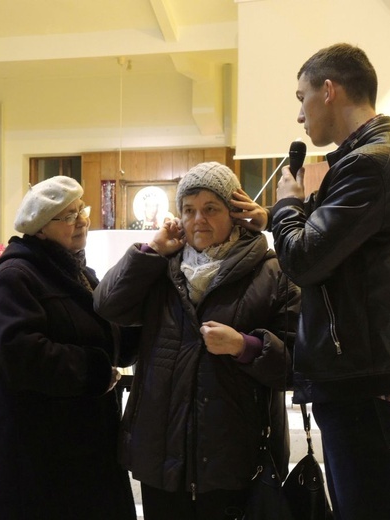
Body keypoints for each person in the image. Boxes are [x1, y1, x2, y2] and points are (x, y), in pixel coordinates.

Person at [231, 43, 390, 520]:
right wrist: (271, 217)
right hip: (369, 370)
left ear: (329, 90)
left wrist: (286, 205)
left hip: (361, 381)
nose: (300, 115)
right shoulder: (388, 155)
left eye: (301, 98)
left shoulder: (371, 164)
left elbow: (302, 261)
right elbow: (346, 250)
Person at [93, 162, 300, 520]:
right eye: (189, 210)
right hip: (163, 458)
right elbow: (108, 304)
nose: (198, 220)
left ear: (235, 214)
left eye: (210, 209)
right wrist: (151, 251)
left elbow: (297, 364)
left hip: (235, 461)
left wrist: (245, 347)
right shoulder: (161, 267)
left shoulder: (272, 272)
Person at [0, 175, 138, 520]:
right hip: (35, 450)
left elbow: (107, 335)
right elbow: (21, 354)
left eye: (81, 210)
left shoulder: (79, 272)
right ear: (40, 229)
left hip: (79, 444)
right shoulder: (17, 276)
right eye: (68, 216)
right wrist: (94, 371)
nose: (82, 221)